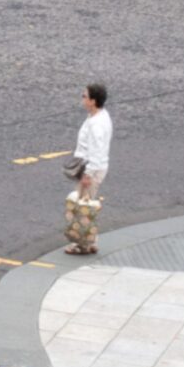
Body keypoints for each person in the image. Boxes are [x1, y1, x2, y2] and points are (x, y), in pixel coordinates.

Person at [65, 82, 112, 256]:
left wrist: (88, 174)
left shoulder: (96, 124)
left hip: (92, 169)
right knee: (86, 204)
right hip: (95, 167)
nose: (82, 98)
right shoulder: (99, 116)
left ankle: (82, 245)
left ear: (93, 101)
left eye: (84, 96)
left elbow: (97, 150)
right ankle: (91, 242)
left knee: (83, 208)